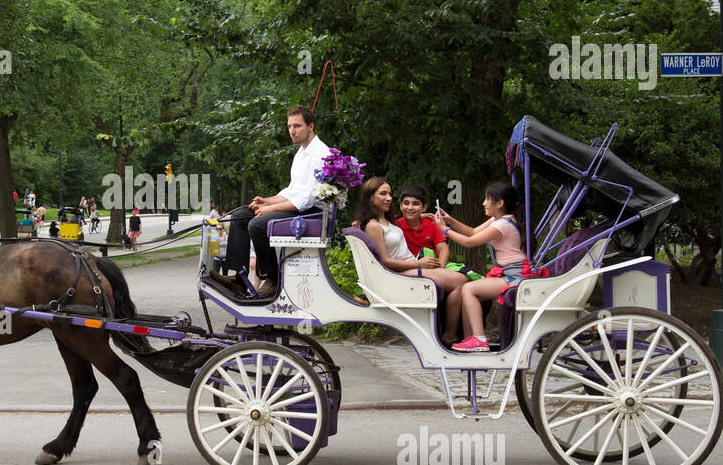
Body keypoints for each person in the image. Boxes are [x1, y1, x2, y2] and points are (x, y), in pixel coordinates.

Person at [217, 105, 329, 299]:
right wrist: (266, 201)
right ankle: (239, 277)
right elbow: (292, 190)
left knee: (257, 225)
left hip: (309, 212)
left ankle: (272, 278)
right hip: (296, 206)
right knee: (240, 216)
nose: (292, 131)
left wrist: (271, 209)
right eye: (289, 126)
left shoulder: (320, 153)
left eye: (297, 126)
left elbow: (306, 199)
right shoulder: (301, 153)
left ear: (310, 126)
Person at [352, 178, 468, 343]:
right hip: (399, 273)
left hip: (411, 266)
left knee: (463, 279)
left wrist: (423, 216)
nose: (389, 198)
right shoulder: (373, 225)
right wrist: (419, 264)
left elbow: (409, 221)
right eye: (383, 194)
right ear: (371, 197)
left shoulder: (387, 220)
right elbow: (385, 261)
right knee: (459, 281)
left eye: (390, 194)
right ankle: (450, 335)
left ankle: (454, 333)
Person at [434, 181, 526, 353]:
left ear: (499, 203)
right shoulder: (498, 220)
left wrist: (444, 231)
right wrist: (450, 220)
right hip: (508, 274)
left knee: (469, 289)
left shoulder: (502, 224)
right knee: (467, 290)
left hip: (515, 276)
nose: (484, 203)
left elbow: (469, 242)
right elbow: (473, 232)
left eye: (487, 199)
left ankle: (479, 339)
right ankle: (471, 339)